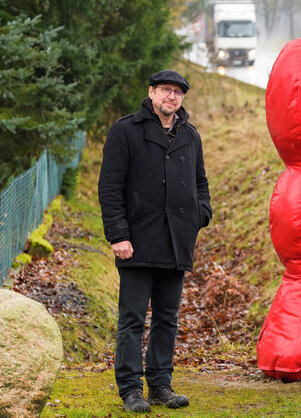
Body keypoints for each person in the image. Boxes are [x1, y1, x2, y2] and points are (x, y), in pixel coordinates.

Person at [98, 69, 212, 413]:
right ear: (151, 92)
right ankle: (131, 390)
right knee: (132, 318)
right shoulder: (125, 131)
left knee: (167, 316)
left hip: (176, 241)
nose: (171, 97)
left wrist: (199, 214)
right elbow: (110, 187)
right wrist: (118, 234)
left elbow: (200, 182)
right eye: (165, 90)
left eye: (177, 92)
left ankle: (161, 384)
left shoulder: (190, 136)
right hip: (136, 242)